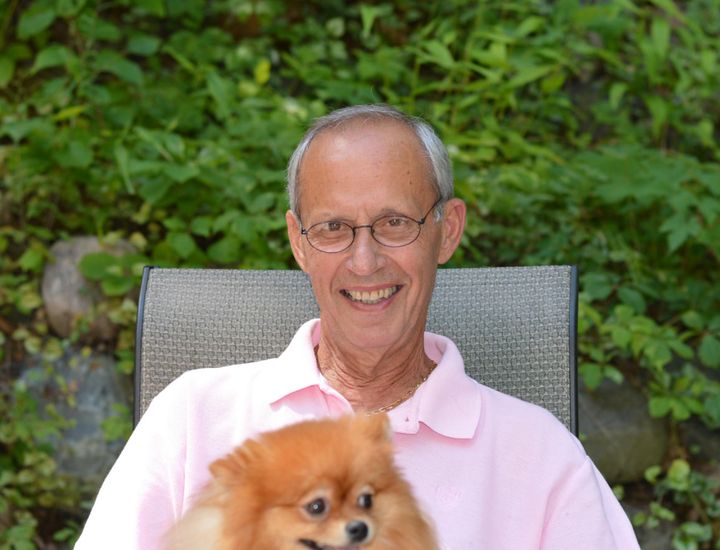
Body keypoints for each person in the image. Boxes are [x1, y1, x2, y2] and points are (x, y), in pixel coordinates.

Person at [75, 104, 640, 549]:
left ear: (447, 231)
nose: (365, 262)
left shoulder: (541, 455)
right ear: (299, 242)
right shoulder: (194, 416)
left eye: (395, 223)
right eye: (334, 228)